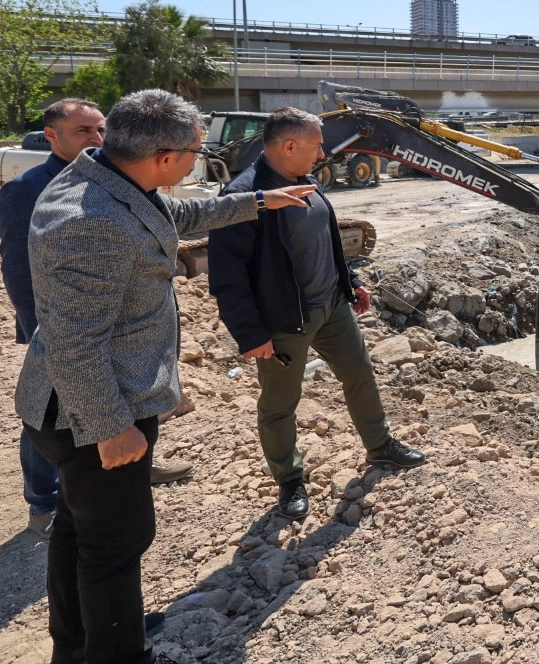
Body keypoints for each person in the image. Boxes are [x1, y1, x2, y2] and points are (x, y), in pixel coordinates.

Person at [15, 90, 313, 664]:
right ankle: (114, 649)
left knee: (80, 531)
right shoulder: (93, 222)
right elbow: (77, 344)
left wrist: (258, 200)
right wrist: (112, 428)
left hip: (80, 401)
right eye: (195, 153)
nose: (196, 162)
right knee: (116, 547)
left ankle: (79, 643)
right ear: (163, 156)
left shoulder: (105, 180)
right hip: (92, 412)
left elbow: (178, 215)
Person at [208, 106, 424, 521]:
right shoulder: (243, 196)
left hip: (332, 308)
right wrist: (252, 335)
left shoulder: (305, 180)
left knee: (360, 373)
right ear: (289, 146)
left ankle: (381, 448)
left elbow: (325, 243)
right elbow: (228, 277)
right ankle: (289, 481)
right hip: (285, 320)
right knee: (280, 403)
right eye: (316, 144)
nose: (323, 151)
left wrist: (350, 284)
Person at [0, 99, 104, 537]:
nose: (97, 140)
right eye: (84, 131)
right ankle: (43, 503)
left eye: (101, 130)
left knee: (112, 396)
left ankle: (123, 471)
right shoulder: (27, 189)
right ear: (51, 136)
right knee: (47, 410)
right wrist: (39, 327)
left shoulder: (109, 178)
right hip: (57, 326)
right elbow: (19, 264)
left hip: (107, 319)